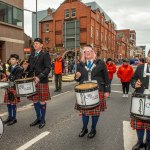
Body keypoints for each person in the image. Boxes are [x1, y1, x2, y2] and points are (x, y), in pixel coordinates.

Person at [75, 45, 110, 138]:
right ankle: (84, 128)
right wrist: (77, 76)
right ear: (83, 54)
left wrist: (107, 90)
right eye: (85, 51)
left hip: (98, 91)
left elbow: (106, 77)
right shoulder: (80, 65)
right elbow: (78, 79)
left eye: (90, 51)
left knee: (95, 112)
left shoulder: (100, 63)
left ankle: (93, 128)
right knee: (84, 112)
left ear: (93, 52)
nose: (88, 53)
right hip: (84, 91)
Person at [27, 38, 51, 129]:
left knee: (42, 101)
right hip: (32, 81)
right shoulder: (32, 55)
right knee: (35, 100)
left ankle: (43, 119)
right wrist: (25, 70)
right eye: (34, 44)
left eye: (37, 43)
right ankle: (38, 118)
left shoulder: (45, 55)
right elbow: (30, 69)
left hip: (41, 81)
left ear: (41, 45)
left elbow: (48, 68)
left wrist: (39, 77)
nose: (35, 45)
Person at [130, 52, 150, 150]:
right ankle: (140, 142)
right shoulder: (140, 68)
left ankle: (148, 143)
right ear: (147, 57)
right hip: (140, 98)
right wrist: (135, 84)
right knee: (139, 124)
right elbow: (133, 79)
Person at [1, 54, 23, 126]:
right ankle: (9, 117)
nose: (11, 60)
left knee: (13, 103)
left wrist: (10, 75)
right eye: (11, 59)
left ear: (17, 60)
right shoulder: (10, 67)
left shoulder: (20, 68)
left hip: (14, 87)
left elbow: (17, 79)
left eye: (13, 59)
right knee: (8, 103)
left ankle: (14, 118)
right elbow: (9, 77)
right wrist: (5, 78)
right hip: (8, 86)